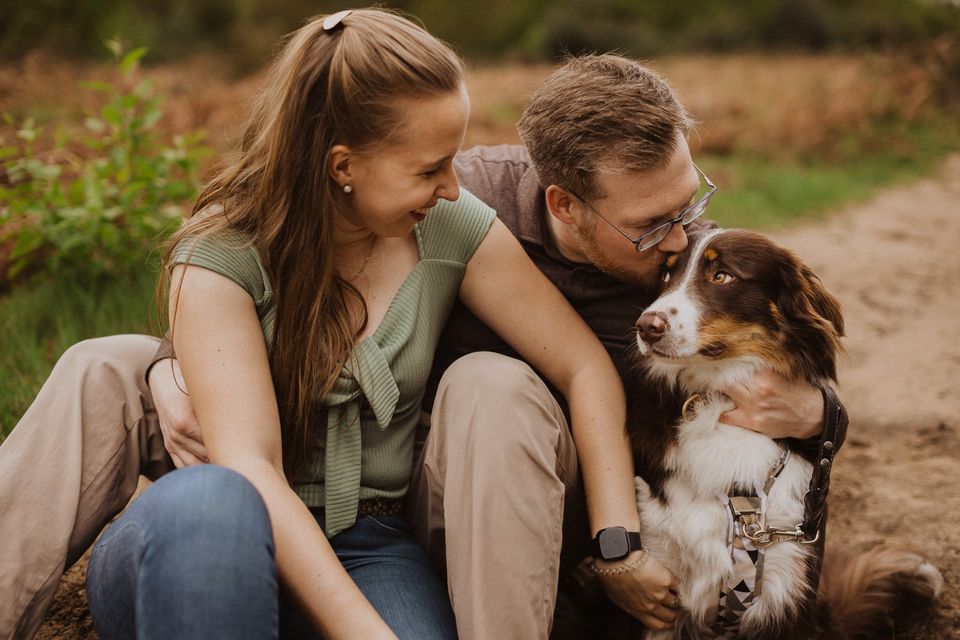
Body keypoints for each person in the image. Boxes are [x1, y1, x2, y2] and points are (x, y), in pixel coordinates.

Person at [0, 50, 837, 639]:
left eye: (694, 205)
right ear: (567, 205)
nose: (684, 243)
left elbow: (765, 340)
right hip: (237, 526)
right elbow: (244, 432)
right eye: (657, 223)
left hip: (407, 528)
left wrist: (819, 413)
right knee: (109, 369)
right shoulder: (453, 205)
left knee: (489, 382)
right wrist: (168, 365)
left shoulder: (683, 267)